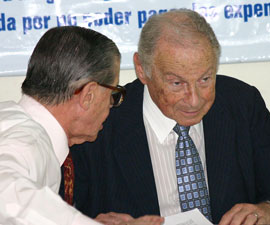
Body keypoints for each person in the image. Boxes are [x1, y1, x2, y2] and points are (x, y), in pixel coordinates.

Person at [70, 9, 270, 225]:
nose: (194, 100)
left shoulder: (242, 103)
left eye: (205, 79)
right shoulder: (101, 122)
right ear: (142, 69)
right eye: (177, 83)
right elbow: (59, 211)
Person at [0, 26, 163, 225]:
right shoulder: (26, 141)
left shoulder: (16, 124)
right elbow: (8, 199)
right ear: (88, 95)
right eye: (113, 94)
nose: (112, 105)